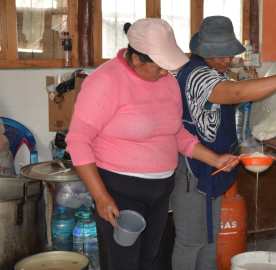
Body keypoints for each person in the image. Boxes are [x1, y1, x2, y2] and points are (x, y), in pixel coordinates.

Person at [65, 18, 238, 270]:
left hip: (159, 192)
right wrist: (101, 197)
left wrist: (214, 159)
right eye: (159, 66)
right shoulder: (105, 82)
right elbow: (77, 142)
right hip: (120, 192)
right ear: (136, 59)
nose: (165, 72)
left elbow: (176, 133)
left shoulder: (166, 81)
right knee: (125, 264)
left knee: (149, 260)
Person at [171, 15, 276, 270]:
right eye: (221, 54)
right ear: (204, 52)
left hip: (210, 166)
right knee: (190, 241)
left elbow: (228, 94)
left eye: (230, 53)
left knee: (209, 236)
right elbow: (234, 93)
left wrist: (245, 81)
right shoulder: (197, 75)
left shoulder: (212, 71)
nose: (228, 59)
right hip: (192, 171)